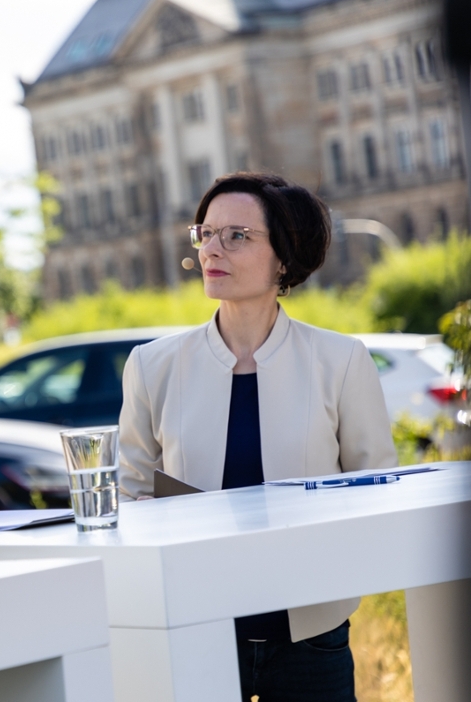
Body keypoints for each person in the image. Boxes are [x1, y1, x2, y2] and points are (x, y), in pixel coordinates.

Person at [117, 172, 397, 701]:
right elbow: (130, 499)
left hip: (310, 636)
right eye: (206, 233)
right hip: (192, 627)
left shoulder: (340, 360)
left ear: (284, 258)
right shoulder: (151, 365)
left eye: (237, 235)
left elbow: (377, 494)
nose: (212, 250)